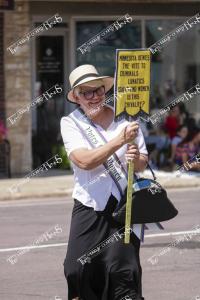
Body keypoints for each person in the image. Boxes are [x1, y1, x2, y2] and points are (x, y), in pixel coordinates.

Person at [60, 65, 163, 300]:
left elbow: (141, 163)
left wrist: (135, 158)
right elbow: (83, 161)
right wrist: (118, 142)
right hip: (89, 205)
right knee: (76, 268)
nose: (94, 96)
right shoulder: (71, 123)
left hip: (124, 206)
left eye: (98, 90)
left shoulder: (126, 117)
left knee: (122, 273)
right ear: (76, 97)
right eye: (86, 92)